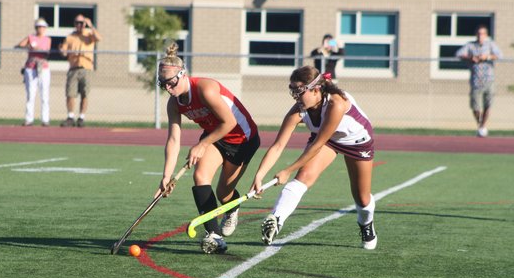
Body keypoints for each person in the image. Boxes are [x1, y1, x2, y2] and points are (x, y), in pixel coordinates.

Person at [250, 65, 377, 250]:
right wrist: (259, 175)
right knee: (303, 177)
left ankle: (366, 224)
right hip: (327, 140)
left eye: (299, 93)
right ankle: (277, 218)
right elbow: (278, 146)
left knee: (362, 197)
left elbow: (317, 146)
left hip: (356, 142)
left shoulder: (336, 104)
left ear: (316, 90)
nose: (296, 98)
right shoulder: (300, 109)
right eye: (293, 92)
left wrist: (287, 169)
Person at [157, 42, 260, 254]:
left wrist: (201, 144)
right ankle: (214, 235)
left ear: (182, 75)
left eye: (170, 82)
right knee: (200, 177)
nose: (168, 88)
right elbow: (173, 139)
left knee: (224, 193)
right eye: (162, 84)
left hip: (242, 138)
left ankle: (232, 208)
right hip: (216, 137)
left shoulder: (205, 89)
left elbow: (229, 123)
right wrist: (167, 176)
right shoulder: (174, 103)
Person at [455, 25, 502, 137]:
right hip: (476, 81)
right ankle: (481, 125)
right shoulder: (471, 45)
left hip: (489, 80)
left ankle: (482, 127)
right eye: (478, 33)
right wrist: (471, 57)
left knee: (488, 105)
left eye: (482, 33)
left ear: (486, 35)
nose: (480, 36)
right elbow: (458, 54)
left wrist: (487, 57)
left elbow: (500, 55)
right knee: (475, 106)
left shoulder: (490, 45)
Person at [59, 14, 102, 127]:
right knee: (70, 94)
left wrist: (91, 26)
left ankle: (81, 118)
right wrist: (63, 51)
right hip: (73, 68)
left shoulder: (89, 35)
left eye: (81, 23)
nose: (79, 25)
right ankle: (70, 116)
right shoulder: (70, 37)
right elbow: (63, 51)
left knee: (85, 93)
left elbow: (99, 38)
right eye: (77, 23)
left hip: (86, 68)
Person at [16, 18, 51, 126]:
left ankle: (45, 119)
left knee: (44, 94)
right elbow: (21, 44)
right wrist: (29, 44)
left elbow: (45, 50)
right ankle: (29, 119)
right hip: (31, 68)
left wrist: (35, 47)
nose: (40, 29)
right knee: (30, 94)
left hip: (43, 68)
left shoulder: (47, 39)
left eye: (42, 27)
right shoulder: (31, 37)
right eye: (38, 26)